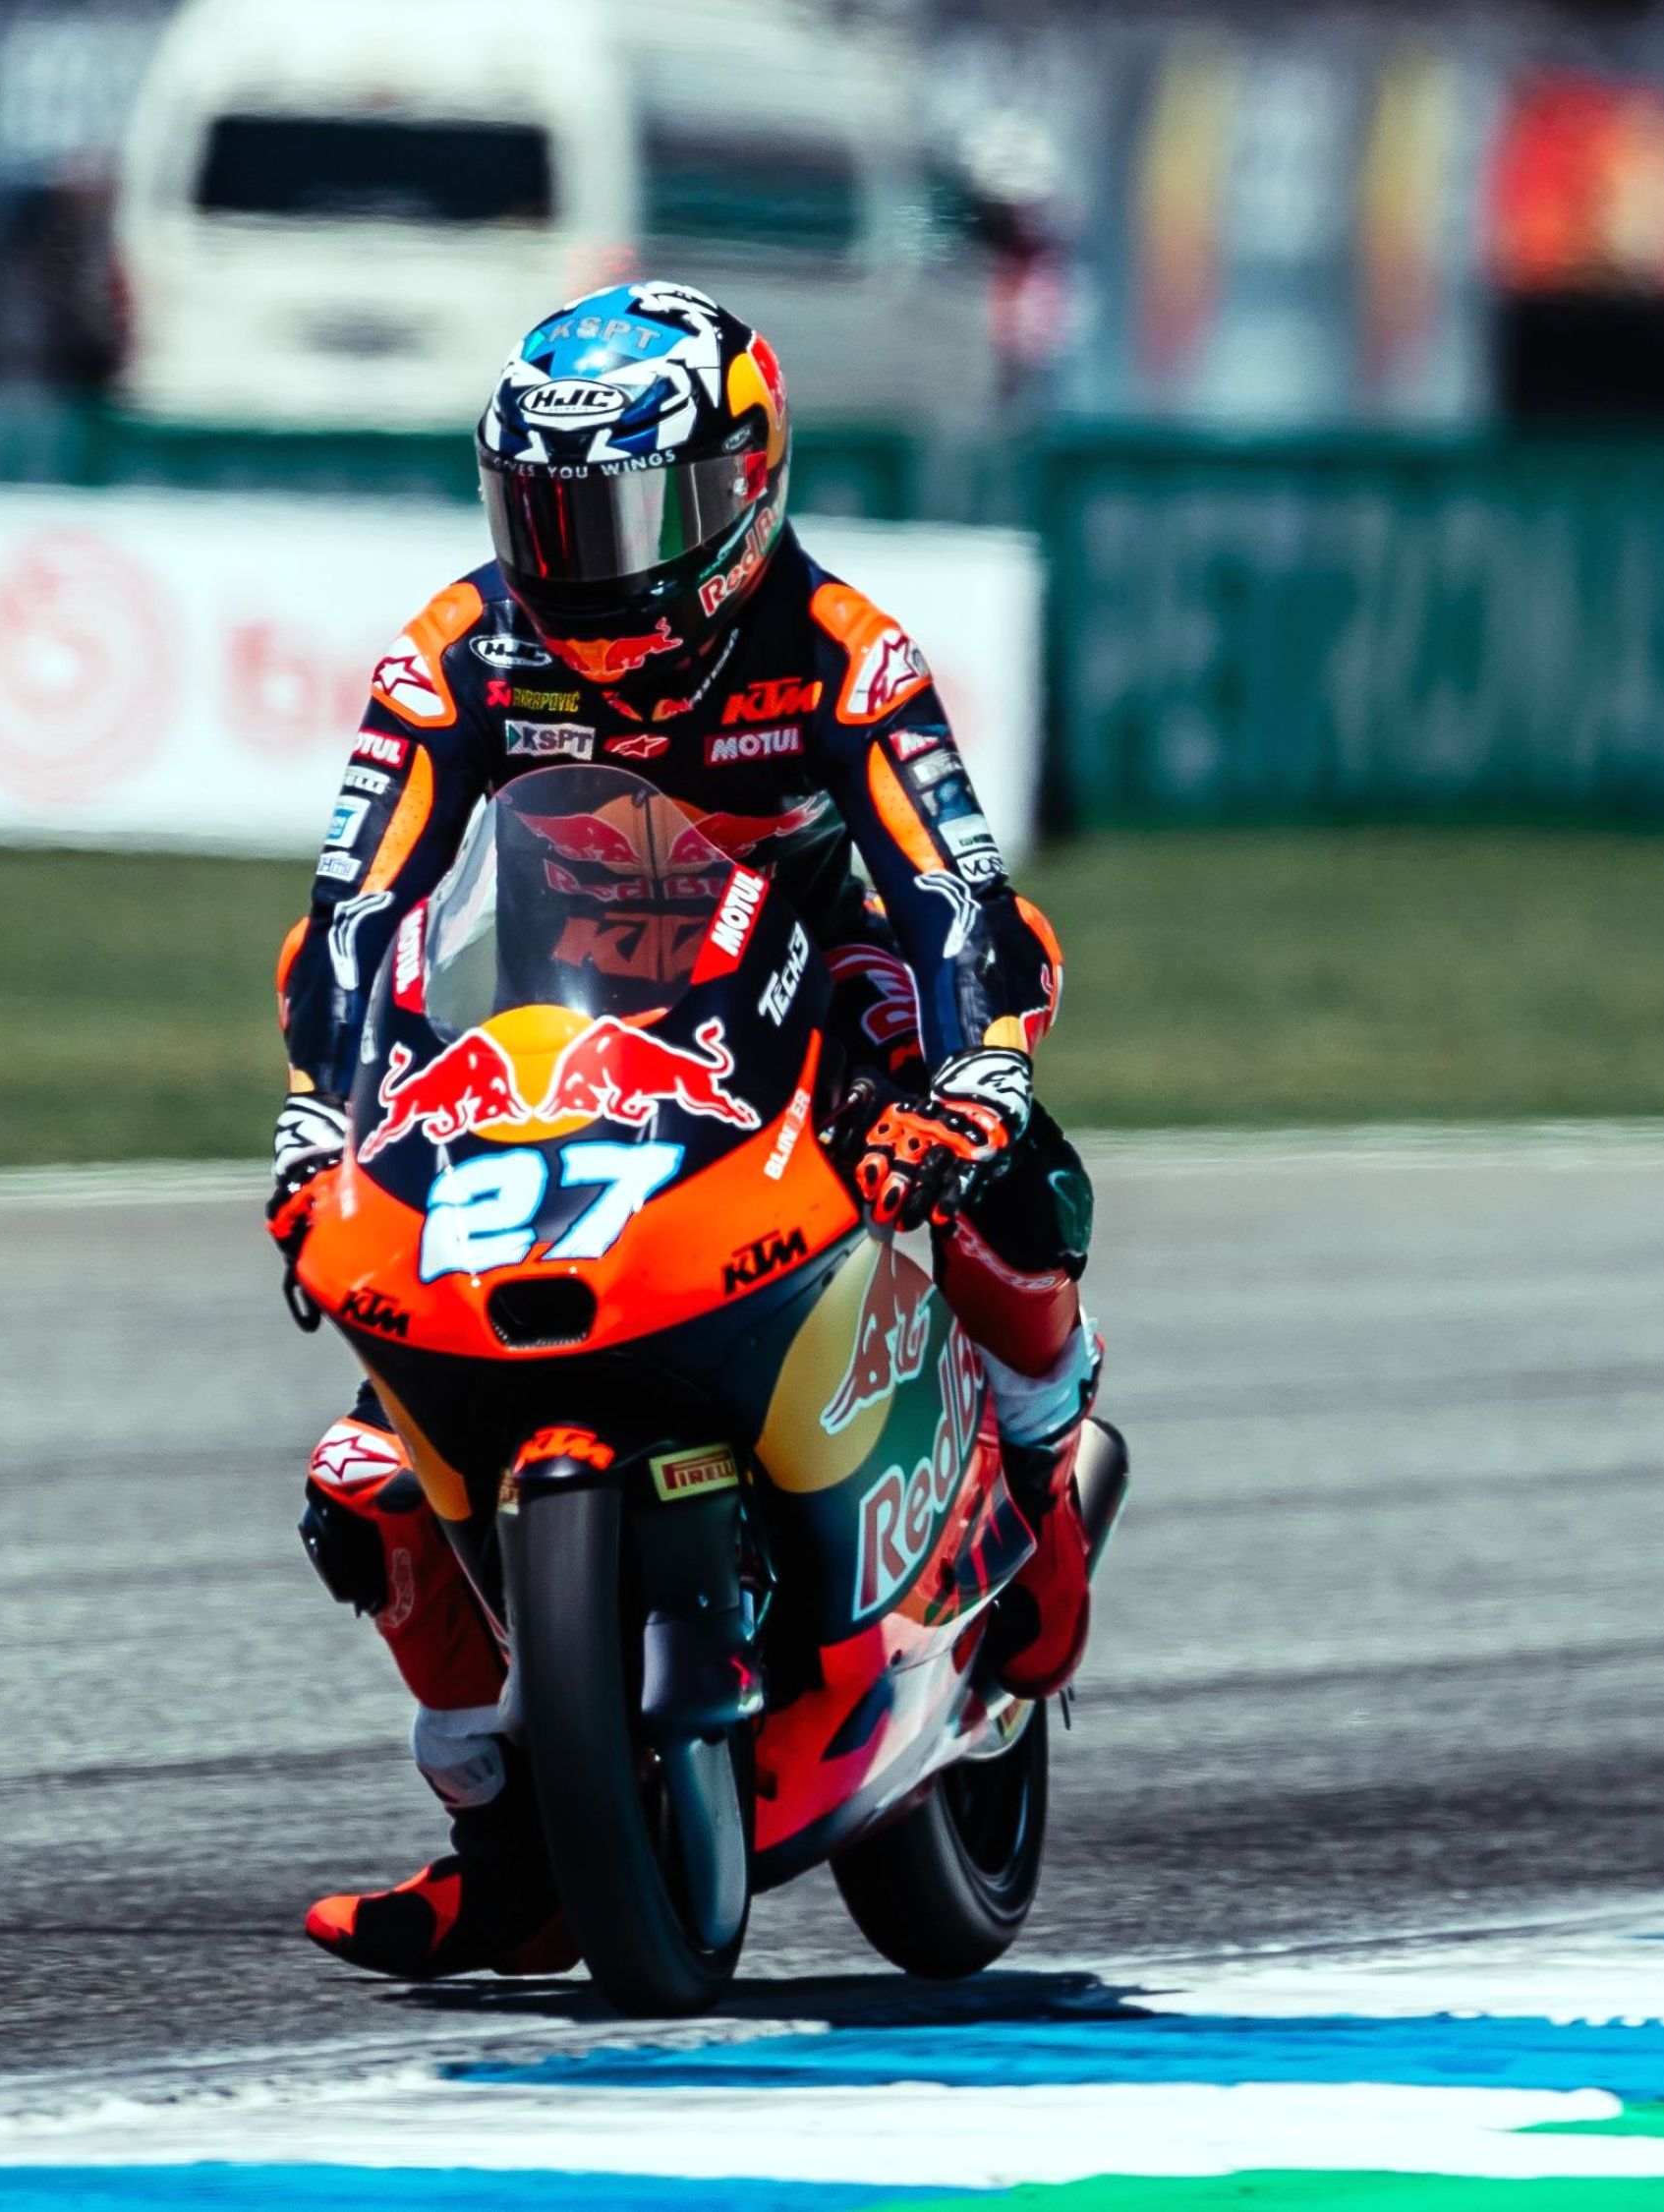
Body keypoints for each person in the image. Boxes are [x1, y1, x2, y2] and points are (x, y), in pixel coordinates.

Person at [269, 282, 1114, 1980]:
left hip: (815, 987)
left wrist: (969, 1081)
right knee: (363, 1483)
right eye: (547, 513)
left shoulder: (844, 652)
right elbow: (361, 905)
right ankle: (507, 1837)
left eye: (625, 513)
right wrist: (320, 1118)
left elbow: (952, 886)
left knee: (1006, 1166)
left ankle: (1041, 1467)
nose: (582, 558)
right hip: (571, 1015)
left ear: (741, 485)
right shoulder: (456, 654)